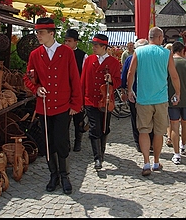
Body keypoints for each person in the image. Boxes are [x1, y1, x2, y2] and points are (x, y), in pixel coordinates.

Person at [23, 17, 82, 195]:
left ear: (51, 33)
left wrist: (76, 103)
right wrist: (37, 88)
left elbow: (75, 79)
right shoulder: (35, 54)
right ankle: (53, 175)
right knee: (48, 143)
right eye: (37, 32)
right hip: (45, 106)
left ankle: (65, 175)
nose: (38, 36)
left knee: (61, 141)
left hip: (63, 105)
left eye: (41, 33)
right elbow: (28, 77)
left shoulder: (66, 52)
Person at [127, 26, 180, 176]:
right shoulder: (166, 53)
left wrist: (130, 90)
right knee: (158, 132)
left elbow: (131, 72)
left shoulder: (138, 52)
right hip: (161, 99)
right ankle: (156, 161)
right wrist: (177, 92)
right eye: (162, 38)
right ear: (158, 37)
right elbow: (174, 76)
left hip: (143, 99)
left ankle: (145, 163)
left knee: (143, 131)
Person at [81, 33, 122, 170]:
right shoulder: (89, 60)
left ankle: (102, 152)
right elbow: (83, 80)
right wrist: (81, 98)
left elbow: (118, 81)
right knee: (94, 128)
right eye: (93, 45)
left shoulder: (114, 62)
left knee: (105, 127)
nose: (93, 48)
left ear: (104, 47)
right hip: (90, 100)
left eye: (96, 46)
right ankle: (97, 158)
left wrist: (111, 80)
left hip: (106, 100)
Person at [120, 38, 154, 153]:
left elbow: (124, 76)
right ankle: (151, 142)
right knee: (150, 118)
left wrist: (124, 90)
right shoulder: (151, 59)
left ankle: (139, 143)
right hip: (149, 94)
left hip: (134, 93)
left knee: (136, 119)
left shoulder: (130, 59)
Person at [168, 41, 186, 165]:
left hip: (172, 98)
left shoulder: (168, 63)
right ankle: (183, 146)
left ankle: (176, 154)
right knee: (185, 123)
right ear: (182, 51)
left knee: (174, 125)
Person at [63, 28, 88, 152]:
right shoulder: (61, 54)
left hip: (77, 92)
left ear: (75, 42)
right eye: (65, 41)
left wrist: (82, 97)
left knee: (78, 120)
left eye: (69, 41)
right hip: (64, 93)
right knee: (64, 121)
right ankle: (66, 143)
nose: (66, 43)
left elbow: (85, 77)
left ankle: (78, 141)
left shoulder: (83, 56)